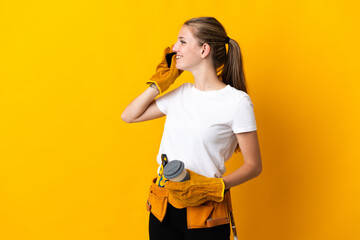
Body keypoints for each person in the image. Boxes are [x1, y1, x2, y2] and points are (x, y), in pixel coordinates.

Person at [121, 16, 262, 240]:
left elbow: (254, 165)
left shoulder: (236, 102)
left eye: (182, 41)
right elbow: (129, 116)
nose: (174, 48)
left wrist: (214, 187)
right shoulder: (181, 93)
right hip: (163, 206)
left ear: (204, 49)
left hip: (206, 213)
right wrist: (160, 82)